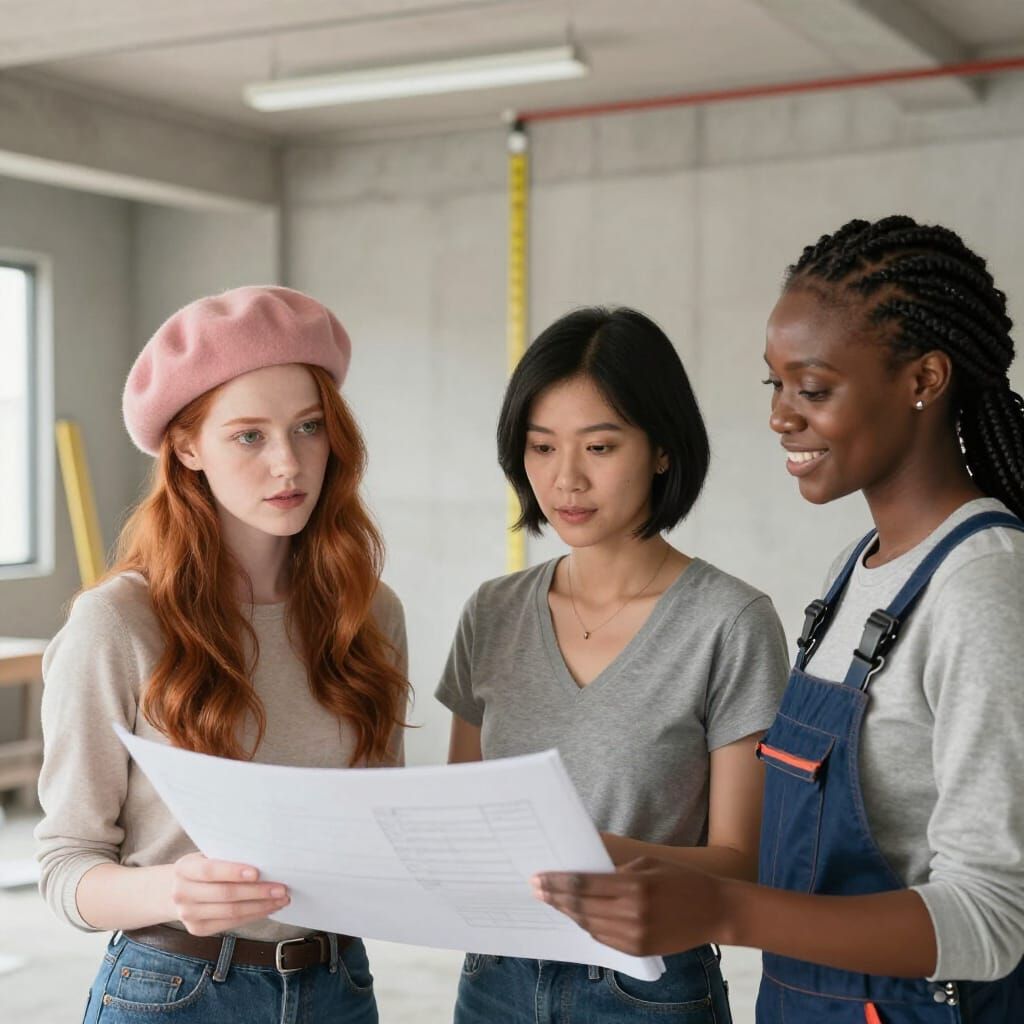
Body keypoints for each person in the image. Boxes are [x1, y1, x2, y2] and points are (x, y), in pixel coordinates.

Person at [533, 216, 1024, 1022]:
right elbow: (804, 862)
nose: (780, 417)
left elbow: (993, 920)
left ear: (925, 379)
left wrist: (724, 911)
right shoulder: (856, 571)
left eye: (814, 389)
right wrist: (607, 858)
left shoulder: (982, 587)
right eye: (776, 386)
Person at [35, 286, 409, 1023]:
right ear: (186, 448)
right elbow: (64, 866)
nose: (288, 463)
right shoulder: (118, 623)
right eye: (248, 436)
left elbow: (381, 821)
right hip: (175, 989)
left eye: (308, 427)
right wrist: (174, 889)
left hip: (340, 984)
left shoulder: (370, 613)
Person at [436, 307, 790, 1023]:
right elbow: (461, 819)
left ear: (662, 449)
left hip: (647, 987)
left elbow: (744, 862)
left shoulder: (731, 621)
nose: (565, 479)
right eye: (541, 447)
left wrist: (588, 853)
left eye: (599, 446)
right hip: (494, 978)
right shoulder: (493, 611)